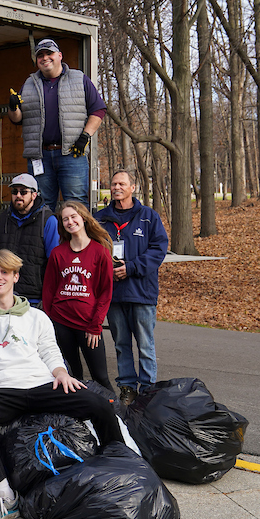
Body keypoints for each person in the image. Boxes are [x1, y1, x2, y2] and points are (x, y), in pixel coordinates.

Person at [0, 250, 123, 519]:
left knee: (100, 404)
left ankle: (120, 465)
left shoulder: (36, 317)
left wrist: (62, 373)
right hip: (1, 391)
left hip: (41, 385)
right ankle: (4, 496)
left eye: (5, 272)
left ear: (16, 277)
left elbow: (51, 353)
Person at [95, 169, 169, 404]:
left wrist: (132, 268)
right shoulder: (100, 219)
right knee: (121, 344)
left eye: (122, 184)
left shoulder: (148, 217)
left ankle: (148, 390)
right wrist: (108, 271)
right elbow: (93, 251)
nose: (117, 187)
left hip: (141, 292)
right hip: (114, 294)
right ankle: (127, 388)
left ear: (132, 187)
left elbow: (159, 249)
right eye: (113, 184)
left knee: (145, 344)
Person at [7, 38, 107, 211]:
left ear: (60, 56)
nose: (45, 58)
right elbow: (17, 119)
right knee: (40, 205)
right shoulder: (29, 84)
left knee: (76, 204)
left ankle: (76, 239)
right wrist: (12, 106)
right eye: (40, 55)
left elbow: (98, 110)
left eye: (49, 53)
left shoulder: (79, 79)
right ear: (37, 60)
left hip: (72, 153)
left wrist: (85, 136)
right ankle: (47, 239)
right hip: (40, 156)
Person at [41, 200, 115, 392]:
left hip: (88, 325)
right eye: (65, 219)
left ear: (83, 217)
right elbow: (49, 290)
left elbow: (105, 292)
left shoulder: (100, 251)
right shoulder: (58, 253)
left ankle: (117, 417)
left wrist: (95, 324)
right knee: (72, 376)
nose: (70, 222)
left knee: (101, 377)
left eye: (73, 217)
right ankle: (79, 418)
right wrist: (51, 320)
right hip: (61, 322)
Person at [0, 173, 60, 304]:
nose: (18, 196)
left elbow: (54, 262)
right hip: (5, 295)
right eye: (15, 191)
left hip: (35, 298)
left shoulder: (48, 220)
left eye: (23, 192)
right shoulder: (3, 219)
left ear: (34, 195)